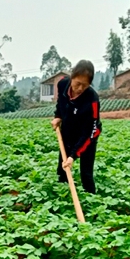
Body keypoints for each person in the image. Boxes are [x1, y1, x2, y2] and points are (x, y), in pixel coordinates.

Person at [50, 60, 102, 194]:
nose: (79, 89)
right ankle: (62, 198)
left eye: (84, 86)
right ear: (72, 77)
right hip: (68, 130)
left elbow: (90, 131)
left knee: (86, 173)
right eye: (78, 83)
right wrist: (58, 116)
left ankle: (92, 201)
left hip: (88, 136)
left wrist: (73, 156)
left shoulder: (92, 100)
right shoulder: (62, 84)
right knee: (62, 170)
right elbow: (61, 102)